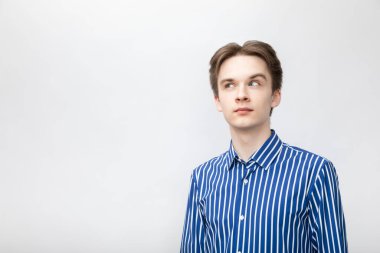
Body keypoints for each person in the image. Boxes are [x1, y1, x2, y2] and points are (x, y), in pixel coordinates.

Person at [180, 40, 348, 253]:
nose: (241, 95)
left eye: (254, 83)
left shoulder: (315, 172)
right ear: (218, 101)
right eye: (229, 85)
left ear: (275, 95)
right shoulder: (202, 177)